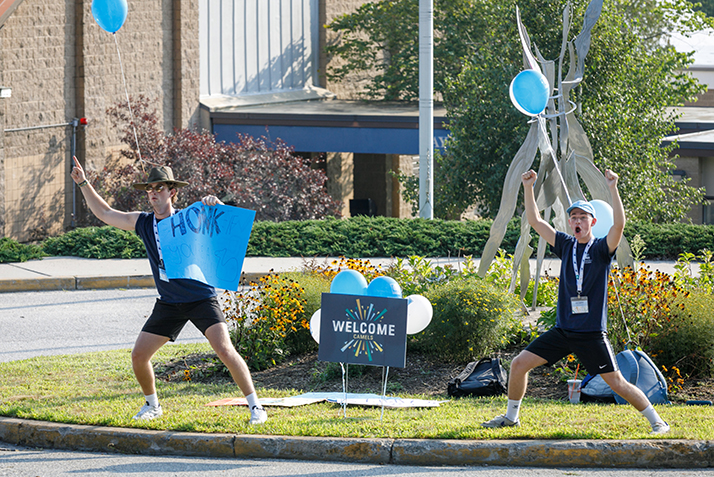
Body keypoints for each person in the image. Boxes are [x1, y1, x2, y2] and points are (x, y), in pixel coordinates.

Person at [70, 157, 267, 425]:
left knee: (224, 349)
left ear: (172, 192)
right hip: (169, 303)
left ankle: (256, 408)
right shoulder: (143, 222)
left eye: (159, 188)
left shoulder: (191, 218)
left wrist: (216, 206)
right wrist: (83, 182)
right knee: (139, 356)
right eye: (149, 189)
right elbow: (105, 213)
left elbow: (222, 229)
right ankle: (152, 405)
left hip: (201, 298)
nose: (153, 194)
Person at [481, 168, 669, 434]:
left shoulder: (602, 249)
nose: (577, 221)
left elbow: (619, 226)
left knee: (616, 382)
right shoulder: (566, 244)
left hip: (591, 334)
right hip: (563, 331)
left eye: (582, 217)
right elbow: (535, 221)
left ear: (592, 222)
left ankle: (658, 421)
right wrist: (528, 187)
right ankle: (512, 417)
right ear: (569, 223)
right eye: (573, 217)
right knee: (519, 364)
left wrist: (613, 188)